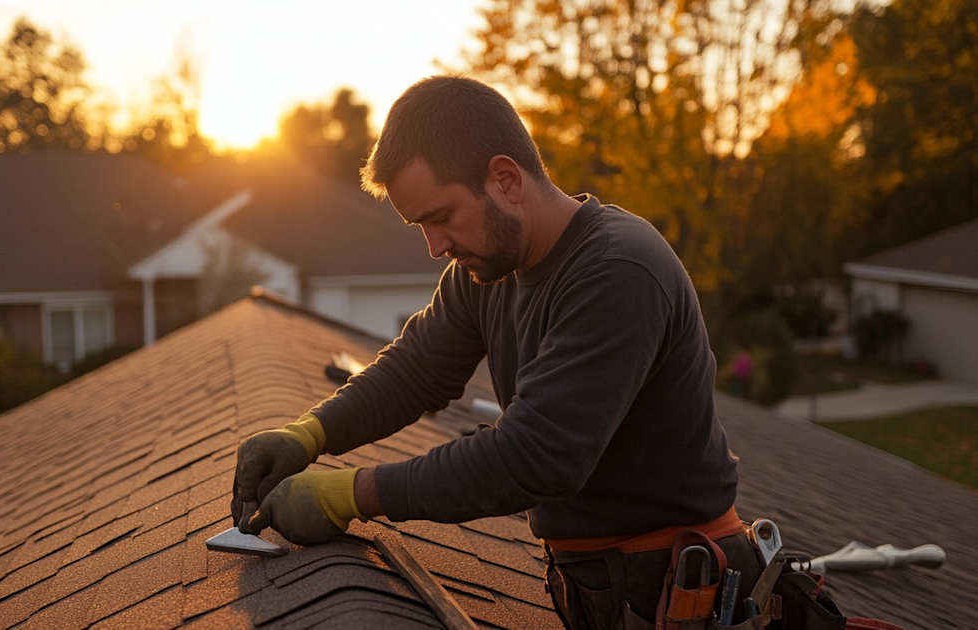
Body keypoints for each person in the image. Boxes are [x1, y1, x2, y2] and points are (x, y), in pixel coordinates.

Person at [231, 75, 764, 629]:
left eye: (440, 217)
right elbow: (416, 369)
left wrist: (352, 492)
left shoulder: (617, 270)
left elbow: (537, 454)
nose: (435, 246)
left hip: (676, 590)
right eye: (421, 226)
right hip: (606, 584)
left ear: (506, 179)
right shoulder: (488, 271)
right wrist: (309, 434)